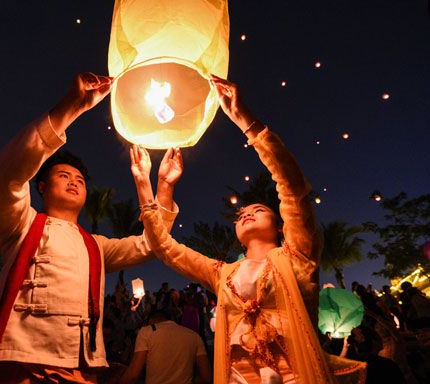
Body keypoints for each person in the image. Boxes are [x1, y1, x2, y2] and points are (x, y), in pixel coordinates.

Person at [129, 75, 367, 383]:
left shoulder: (297, 256)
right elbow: (165, 248)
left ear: (281, 227)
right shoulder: (222, 273)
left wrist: (247, 123)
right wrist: (147, 184)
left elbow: (292, 188)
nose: (247, 213)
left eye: (259, 210)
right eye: (242, 212)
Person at [0, 72, 183, 384]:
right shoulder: (19, 224)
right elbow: (5, 174)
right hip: (19, 361)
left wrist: (163, 186)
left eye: (80, 180)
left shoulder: (95, 245)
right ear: (41, 186)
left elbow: (152, 244)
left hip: (80, 365)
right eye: (64, 176)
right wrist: (71, 107)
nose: (74, 182)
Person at [119, 310, 211, 384]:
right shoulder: (194, 335)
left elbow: (133, 374)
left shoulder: (146, 332)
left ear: (152, 321)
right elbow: (207, 377)